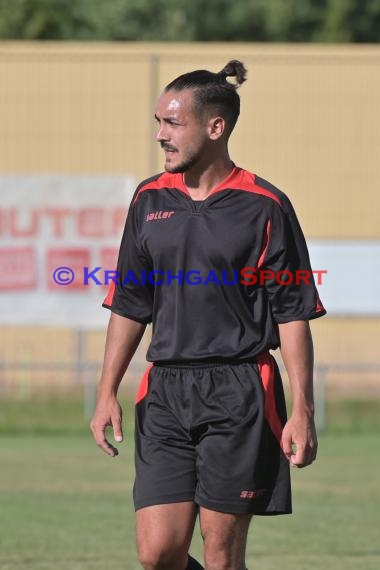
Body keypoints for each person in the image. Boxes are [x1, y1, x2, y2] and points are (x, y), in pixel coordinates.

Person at [90, 59, 326, 570]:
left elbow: (292, 313)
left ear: (215, 127)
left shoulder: (265, 205)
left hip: (239, 391)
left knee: (221, 556)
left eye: (172, 123)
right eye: (158, 122)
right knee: (158, 553)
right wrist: (106, 389)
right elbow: (131, 301)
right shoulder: (148, 199)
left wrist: (303, 407)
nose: (160, 135)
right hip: (166, 391)